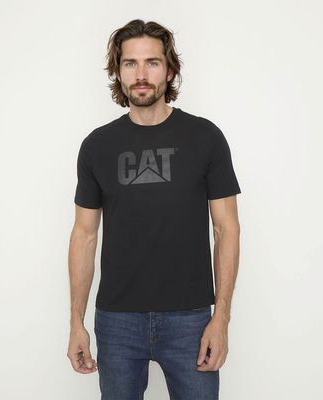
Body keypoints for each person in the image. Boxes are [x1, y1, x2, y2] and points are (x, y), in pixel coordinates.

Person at [67, 19, 241, 400]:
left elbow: (226, 229)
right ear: (118, 71)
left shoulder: (205, 138)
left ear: (170, 69)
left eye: (152, 62)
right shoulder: (97, 146)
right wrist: (76, 321)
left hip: (191, 320)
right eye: (130, 63)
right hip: (117, 322)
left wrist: (221, 318)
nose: (141, 75)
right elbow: (84, 234)